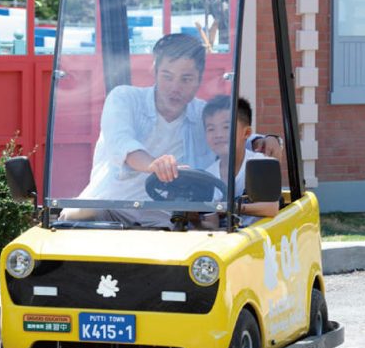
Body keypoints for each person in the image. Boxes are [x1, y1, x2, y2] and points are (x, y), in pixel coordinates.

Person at [59, 33, 280, 228]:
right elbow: (121, 142)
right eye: (167, 76)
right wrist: (153, 165)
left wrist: (265, 140)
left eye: (186, 79)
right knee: (67, 219)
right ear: (154, 71)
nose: (175, 87)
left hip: (164, 217)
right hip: (108, 204)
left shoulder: (203, 114)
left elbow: (231, 132)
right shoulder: (124, 98)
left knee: (189, 242)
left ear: (199, 79)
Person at [201, 95, 280, 228]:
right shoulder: (207, 176)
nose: (218, 134)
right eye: (211, 129)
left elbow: (272, 207)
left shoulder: (259, 164)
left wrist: (233, 207)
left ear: (247, 133)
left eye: (226, 127)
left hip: (258, 239)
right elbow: (211, 223)